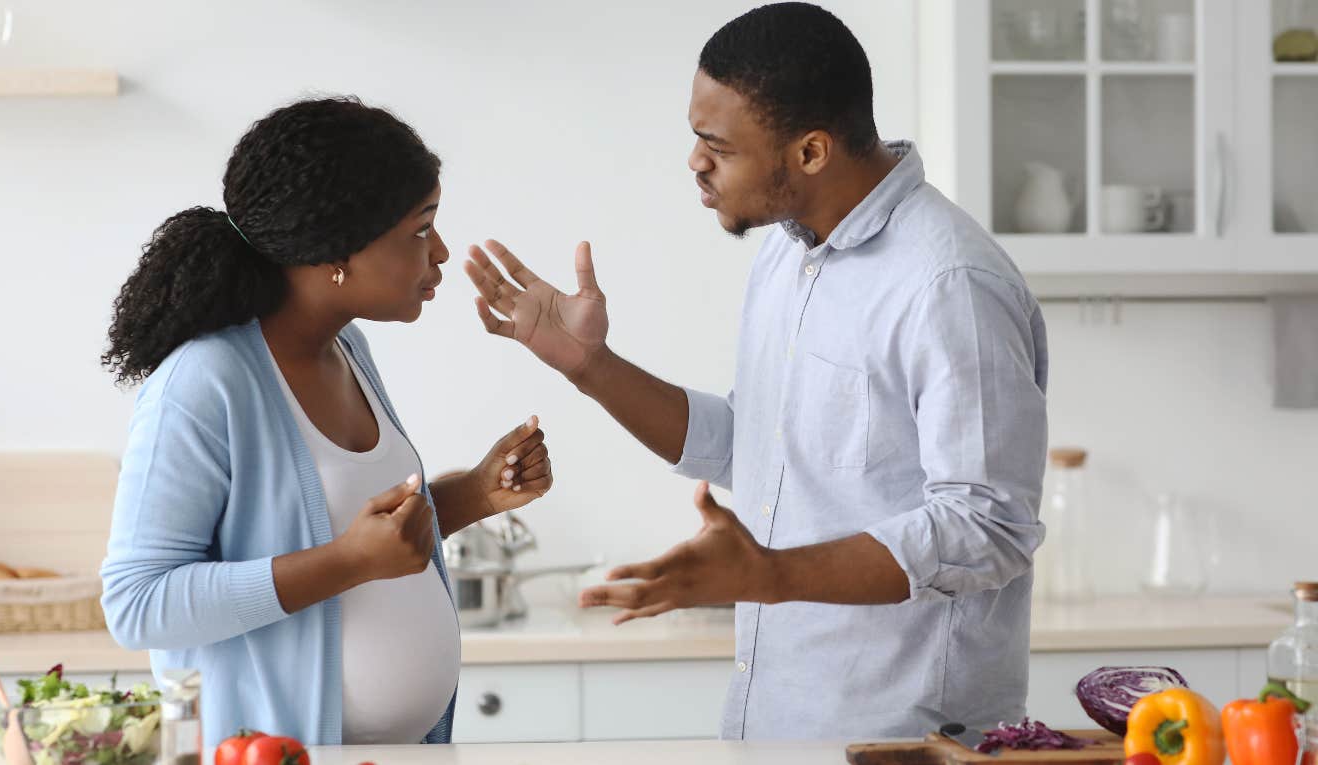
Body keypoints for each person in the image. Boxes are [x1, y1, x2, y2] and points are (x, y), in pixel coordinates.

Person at [462, 2, 1048, 740]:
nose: (695, 162)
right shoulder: (790, 249)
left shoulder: (949, 283)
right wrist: (591, 365)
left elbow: (988, 525)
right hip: (775, 724)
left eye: (718, 145)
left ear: (809, 152)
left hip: (905, 738)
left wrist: (769, 574)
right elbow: (756, 445)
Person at [99, 97, 553, 747]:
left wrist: (476, 492)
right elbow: (138, 604)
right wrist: (346, 561)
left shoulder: (347, 350)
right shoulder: (204, 383)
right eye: (421, 229)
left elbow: (353, 536)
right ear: (336, 250)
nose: (442, 252)